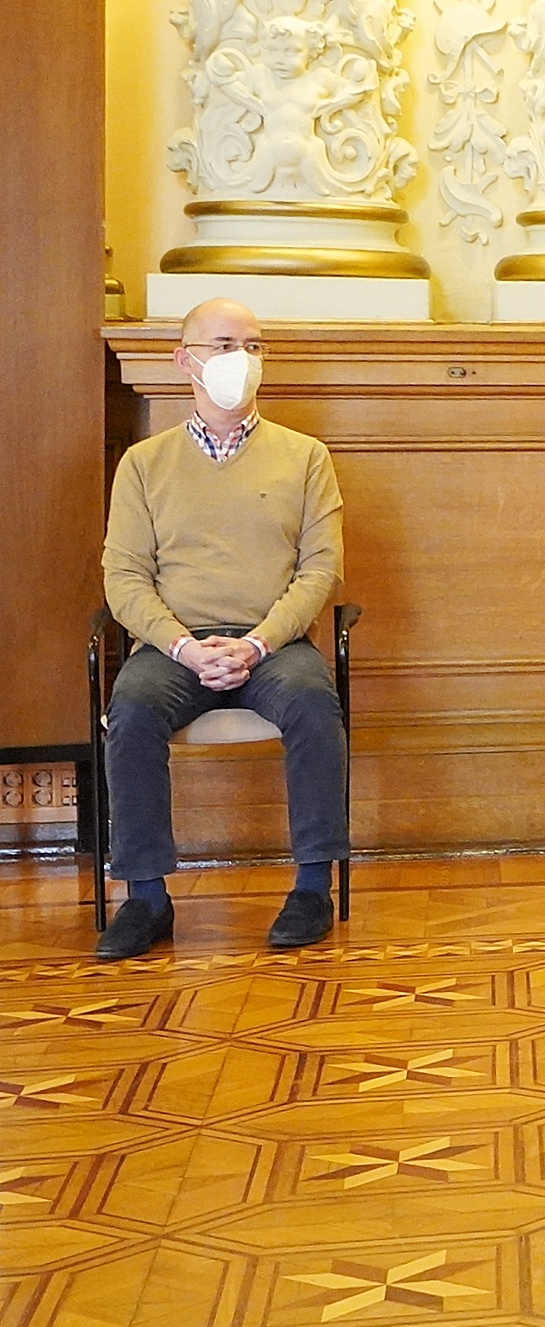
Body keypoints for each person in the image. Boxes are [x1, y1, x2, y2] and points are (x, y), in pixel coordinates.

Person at [97, 300, 349, 961]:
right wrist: (183, 645)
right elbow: (124, 576)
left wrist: (258, 642)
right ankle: (146, 897)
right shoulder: (144, 464)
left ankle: (312, 887)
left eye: (255, 346)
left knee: (313, 704)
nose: (243, 358)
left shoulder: (306, 457)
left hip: (273, 642)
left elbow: (321, 569)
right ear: (186, 360)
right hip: (174, 645)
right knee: (131, 711)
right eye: (225, 344)